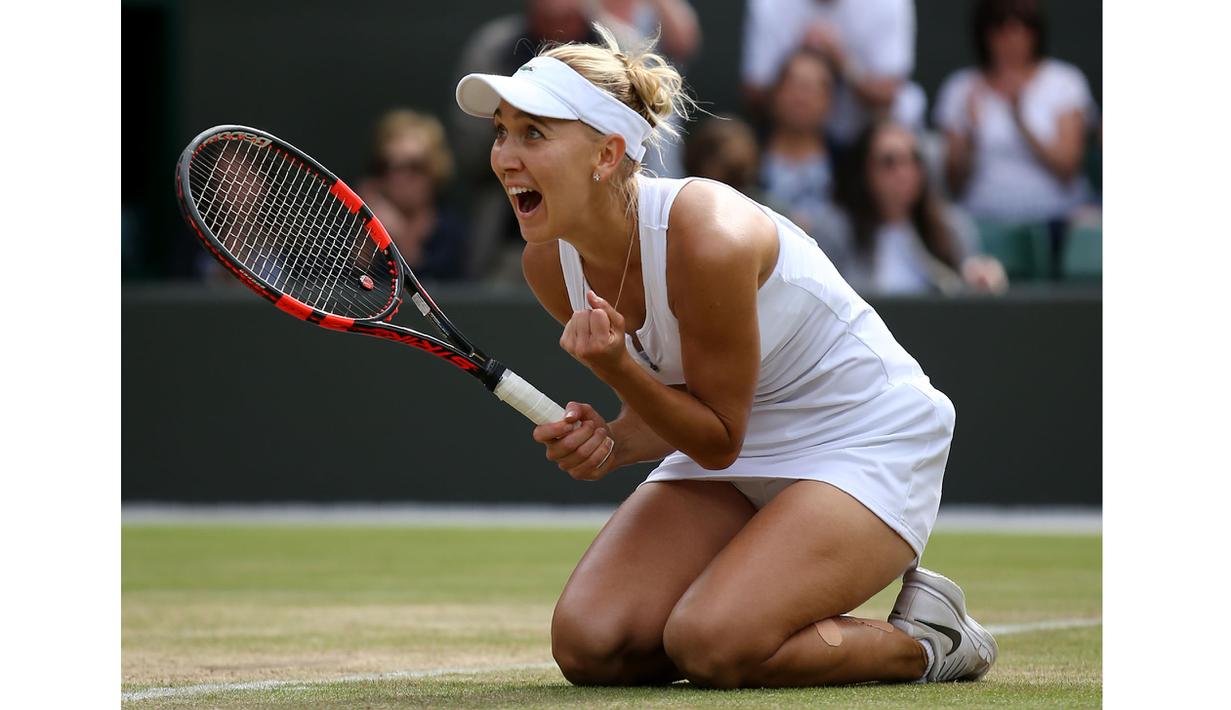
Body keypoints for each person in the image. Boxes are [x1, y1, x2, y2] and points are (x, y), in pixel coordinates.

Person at [454, 25, 998, 688]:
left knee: (711, 645)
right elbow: (684, 408)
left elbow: (715, 436)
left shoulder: (708, 236)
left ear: (606, 154)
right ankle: (745, 610)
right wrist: (613, 440)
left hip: (862, 437)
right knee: (591, 646)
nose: (505, 156)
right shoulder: (549, 264)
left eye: (532, 134)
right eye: (501, 133)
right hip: (738, 440)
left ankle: (923, 642)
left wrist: (618, 371)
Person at [934, 0, 1096, 224]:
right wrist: (971, 135)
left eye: (1023, 26)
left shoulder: (1065, 81)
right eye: (1000, 26)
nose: (1013, 37)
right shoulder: (961, 87)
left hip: (1055, 223)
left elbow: (1067, 168)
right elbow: (953, 183)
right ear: (985, 33)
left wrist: (1021, 120)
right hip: (981, 223)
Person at [820, 120, 1008, 295]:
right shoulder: (836, 230)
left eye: (913, 160)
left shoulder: (951, 227)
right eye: (889, 162)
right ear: (865, 172)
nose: (904, 172)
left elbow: (968, 293)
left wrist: (982, 280)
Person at [741, 0, 925, 147]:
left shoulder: (889, 4)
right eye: (800, 86)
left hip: (862, 140)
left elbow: (887, 93)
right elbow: (755, 90)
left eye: (818, 86)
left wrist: (842, 61)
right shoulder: (767, 4)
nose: (805, 96)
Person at [357, 109, 466, 280]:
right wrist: (367, 238)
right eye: (387, 165)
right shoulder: (358, 230)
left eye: (413, 166)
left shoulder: (451, 233)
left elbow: (440, 295)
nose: (398, 177)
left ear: (435, 171)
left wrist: (399, 237)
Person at [759, 48, 837, 237]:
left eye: (813, 88)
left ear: (830, 100)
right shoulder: (747, 159)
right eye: (794, 84)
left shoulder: (850, 169)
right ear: (776, 93)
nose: (802, 97)